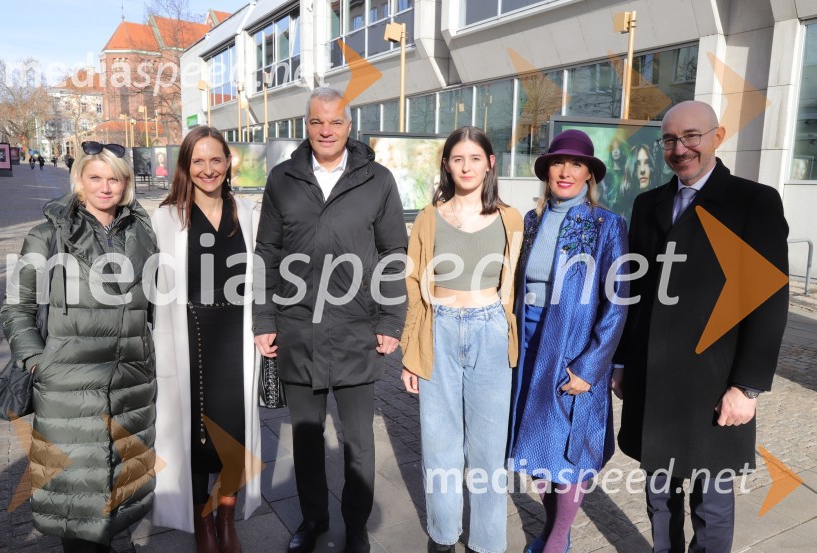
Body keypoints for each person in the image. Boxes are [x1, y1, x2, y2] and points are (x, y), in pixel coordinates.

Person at [615, 100, 789, 552]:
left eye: (691, 136)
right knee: (660, 501)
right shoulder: (648, 203)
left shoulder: (754, 201)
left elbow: (769, 300)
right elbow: (635, 293)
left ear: (718, 135)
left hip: (715, 385)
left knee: (711, 508)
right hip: (654, 383)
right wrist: (620, 362)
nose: (680, 148)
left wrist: (747, 388)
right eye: (670, 140)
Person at [253, 87, 408, 553]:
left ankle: (355, 523)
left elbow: (392, 253)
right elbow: (266, 253)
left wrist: (391, 320)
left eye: (335, 122)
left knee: (359, 440)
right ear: (306, 125)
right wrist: (263, 319)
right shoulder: (282, 179)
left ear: (349, 126)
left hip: (356, 329)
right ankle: (313, 520)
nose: (326, 130)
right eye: (317, 121)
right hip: (296, 329)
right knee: (305, 438)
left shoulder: (376, 180)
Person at [0, 140, 157, 552]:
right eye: (96, 178)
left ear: (126, 185)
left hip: (129, 387)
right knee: (77, 503)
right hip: (68, 389)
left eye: (115, 179)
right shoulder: (47, 236)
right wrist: (38, 362)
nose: (106, 188)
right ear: (79, 180)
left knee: (121, 494)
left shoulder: (142, 232)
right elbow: (17, 306)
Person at [400, 126, 523, 553]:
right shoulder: (428, 218)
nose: (466, 166)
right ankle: (443, 536)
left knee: (489, 451)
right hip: (440, 330)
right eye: (457, 159)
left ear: (490, 163)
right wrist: (410, 354)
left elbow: (515, 287)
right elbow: (413, 285)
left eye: (474, 158)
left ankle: (487, 543)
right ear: (447, 165)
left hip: (490, 329)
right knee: (440, 445)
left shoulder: (511, 218)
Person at [508, 129, 629, 553]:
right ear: (547, 170)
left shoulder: (607, 225)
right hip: (527, 345)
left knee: (568, 449)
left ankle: (558, 538)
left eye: (576, 164)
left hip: (572, 348)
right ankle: (551, 526)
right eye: (558, 162)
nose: (566, 171)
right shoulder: (531, 220)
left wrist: (592, 366)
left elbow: (617, 304)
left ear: (588, 175)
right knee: (534, 440)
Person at [150, 126, 262, 553]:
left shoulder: (248, 213)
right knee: (195, 436)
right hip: (190, 336)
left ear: (228, 162)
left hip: (238, 336)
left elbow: (266, 277)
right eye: (198, 161)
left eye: (216, 159)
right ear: (186, 166)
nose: (208, 169)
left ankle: (227, 518)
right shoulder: (167, 217)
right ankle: (204, 526)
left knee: (234, 434)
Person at [616, 143, 656, 220]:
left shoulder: (662, 205)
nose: (642, 170)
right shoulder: (622, 211)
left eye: (647, 163)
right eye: (637, 164)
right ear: (631, 168)